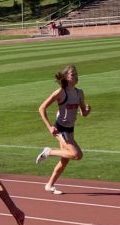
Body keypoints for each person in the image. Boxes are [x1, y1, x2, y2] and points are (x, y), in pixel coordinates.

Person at [36, 65, 91, 195]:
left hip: (70, 130)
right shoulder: (61, 92)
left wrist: (87, 111)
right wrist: (49, 126)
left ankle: (49, 185)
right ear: (66, 77)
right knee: (77, 155)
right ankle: (48, 152)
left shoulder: (79, 93)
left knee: (65, 160)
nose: (76, 76)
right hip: (61, 129)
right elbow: (41, 108)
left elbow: (83, 113)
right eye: (73, 74)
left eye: (77, 74)